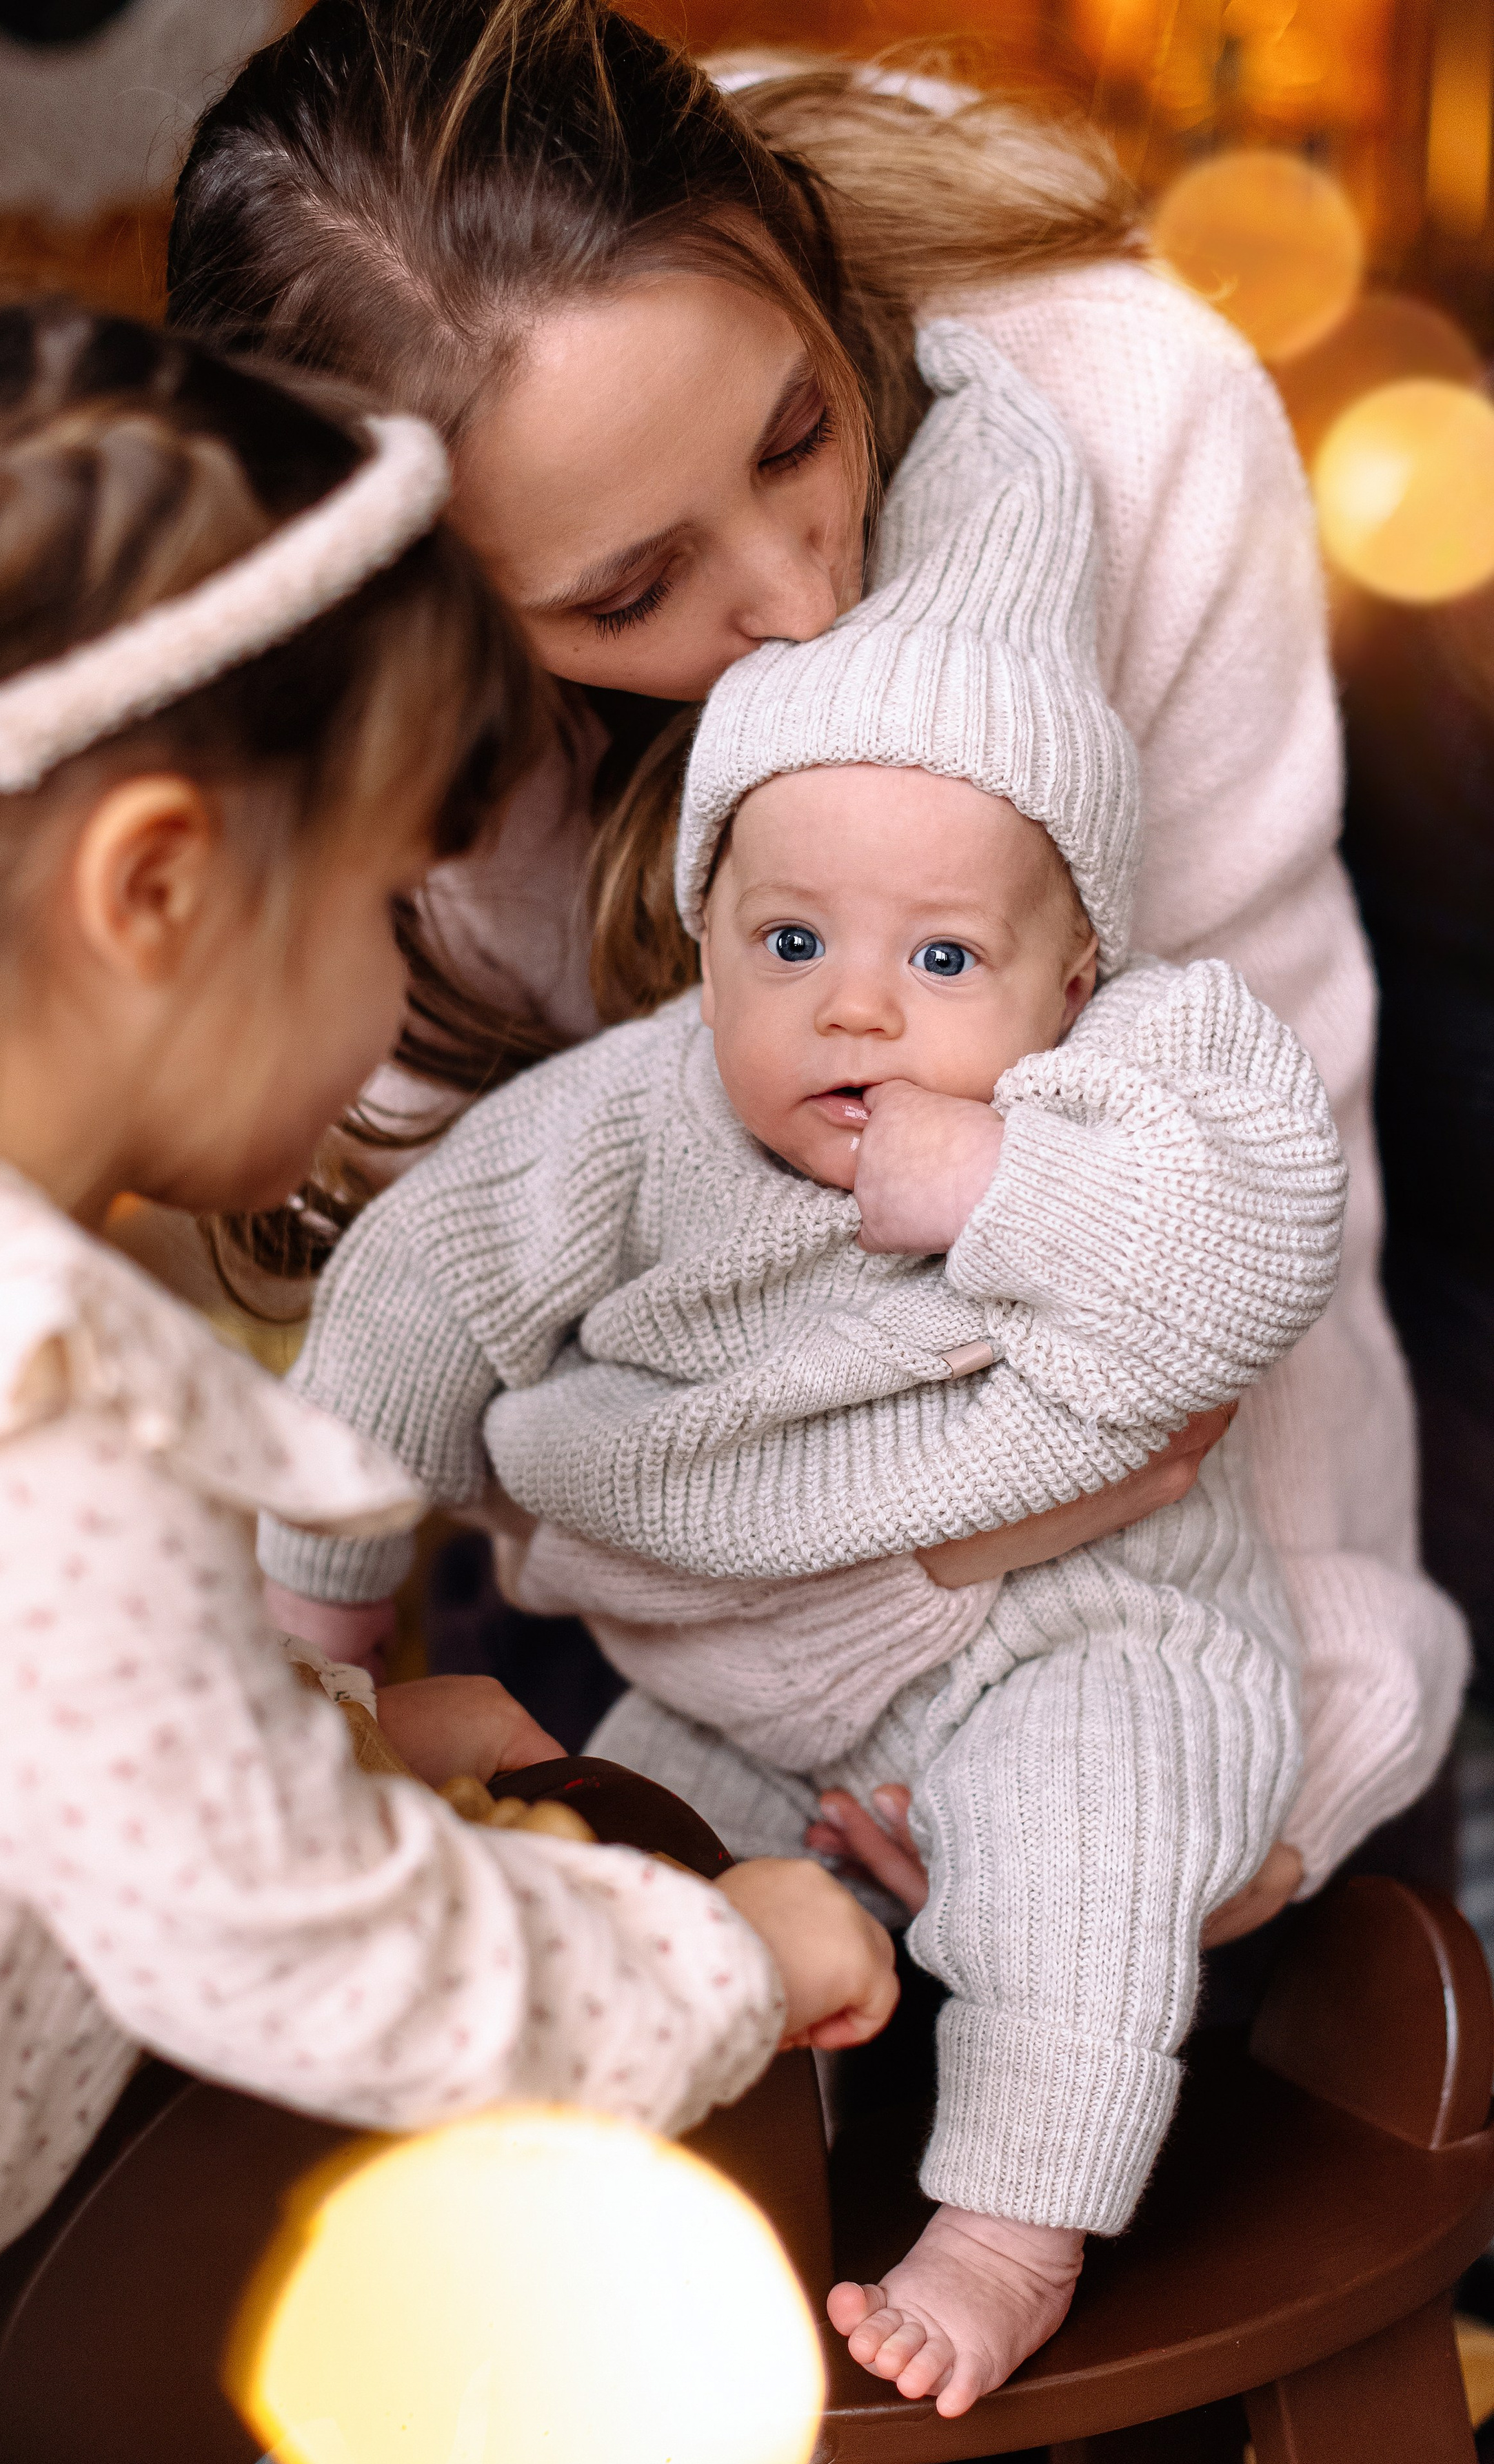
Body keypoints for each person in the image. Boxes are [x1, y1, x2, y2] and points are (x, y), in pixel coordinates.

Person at [0, 303, 898, 2464]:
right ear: (154, 892)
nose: (395, 1001)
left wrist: (322, 1741)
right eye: (378, 906)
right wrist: (723, 1957)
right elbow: (327, 1970)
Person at [167, 0, 1468, 1924]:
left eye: (797, 433)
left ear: (781, 232)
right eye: (630, 591)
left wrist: (1306, 1740)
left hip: (1186, 1621)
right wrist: (872, 1616)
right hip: (681, 1619)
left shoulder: (1129, 409)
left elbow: (1260, 1201)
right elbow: (481, 1364)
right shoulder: (363, 758)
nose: (800, 595)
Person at [259, 322, 1347, 2416]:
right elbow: (418, 1282)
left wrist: (995, 1179)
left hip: (1076, 1635)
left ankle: (1011, 2227)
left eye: (945, 962)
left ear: (1075, 966)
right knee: (645, 1855)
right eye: (793, 945)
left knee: (1083, 1860)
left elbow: (1250, 1259)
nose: (858, 1012)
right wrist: (315, 1605)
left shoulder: (1147, 1077)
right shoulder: (642, 1107)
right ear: (706, 930)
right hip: (747, 1647)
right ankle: (623, 2213)